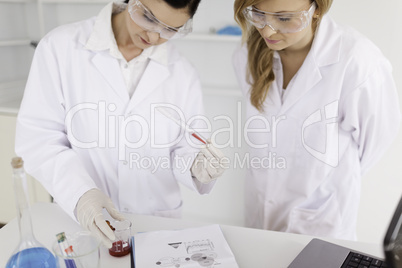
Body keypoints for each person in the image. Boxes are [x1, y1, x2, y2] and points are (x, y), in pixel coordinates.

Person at [15, 0, 226, 248]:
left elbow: (186, 144)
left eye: (170, 29)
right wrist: (80, 196)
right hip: (81, 223)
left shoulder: (183, 73)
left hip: (155, 221)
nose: (153, 35)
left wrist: (195, 163)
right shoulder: (60, 48)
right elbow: (39, 139)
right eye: (147, 17)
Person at [233, 0, 401, 239]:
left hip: (322, 222)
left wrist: (327, 180)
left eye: (283, 19)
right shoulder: (245, 56)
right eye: (259, 15)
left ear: (317, 9)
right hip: (259, 215)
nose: (267, 30)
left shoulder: (358, 60)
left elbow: (375, 142)